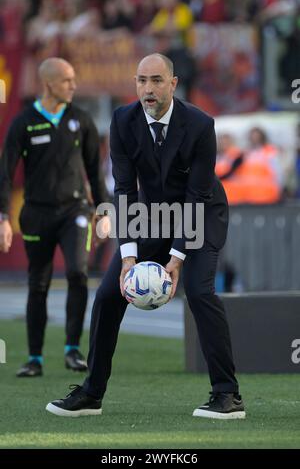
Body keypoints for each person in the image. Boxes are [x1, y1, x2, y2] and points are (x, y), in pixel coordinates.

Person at [46, 53, 246, 419]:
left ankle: (227, 395)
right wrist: (127, 256)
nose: (148, 89)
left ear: (173, 84)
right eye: (141, 80)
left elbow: (197, 196)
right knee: (108, 294)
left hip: (200, 212)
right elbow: (124, 190)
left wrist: (176, 258)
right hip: (150, 215)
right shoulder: (123, 120)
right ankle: (92, 393)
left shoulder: (201, 125)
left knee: (200, 293)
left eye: (156, 80)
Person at [0, 57, 108, 377]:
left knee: (77, 272)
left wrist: (104, 211)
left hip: (75, 211)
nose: (74, 86)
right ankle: (35, 358)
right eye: (67, 80)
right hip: (36, 214)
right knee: (39, 284)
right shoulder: (24, 123)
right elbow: (5, 173)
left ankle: (72, 350)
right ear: (49, 84)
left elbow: (95, 171)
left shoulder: (81, 120)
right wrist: (3, 217)